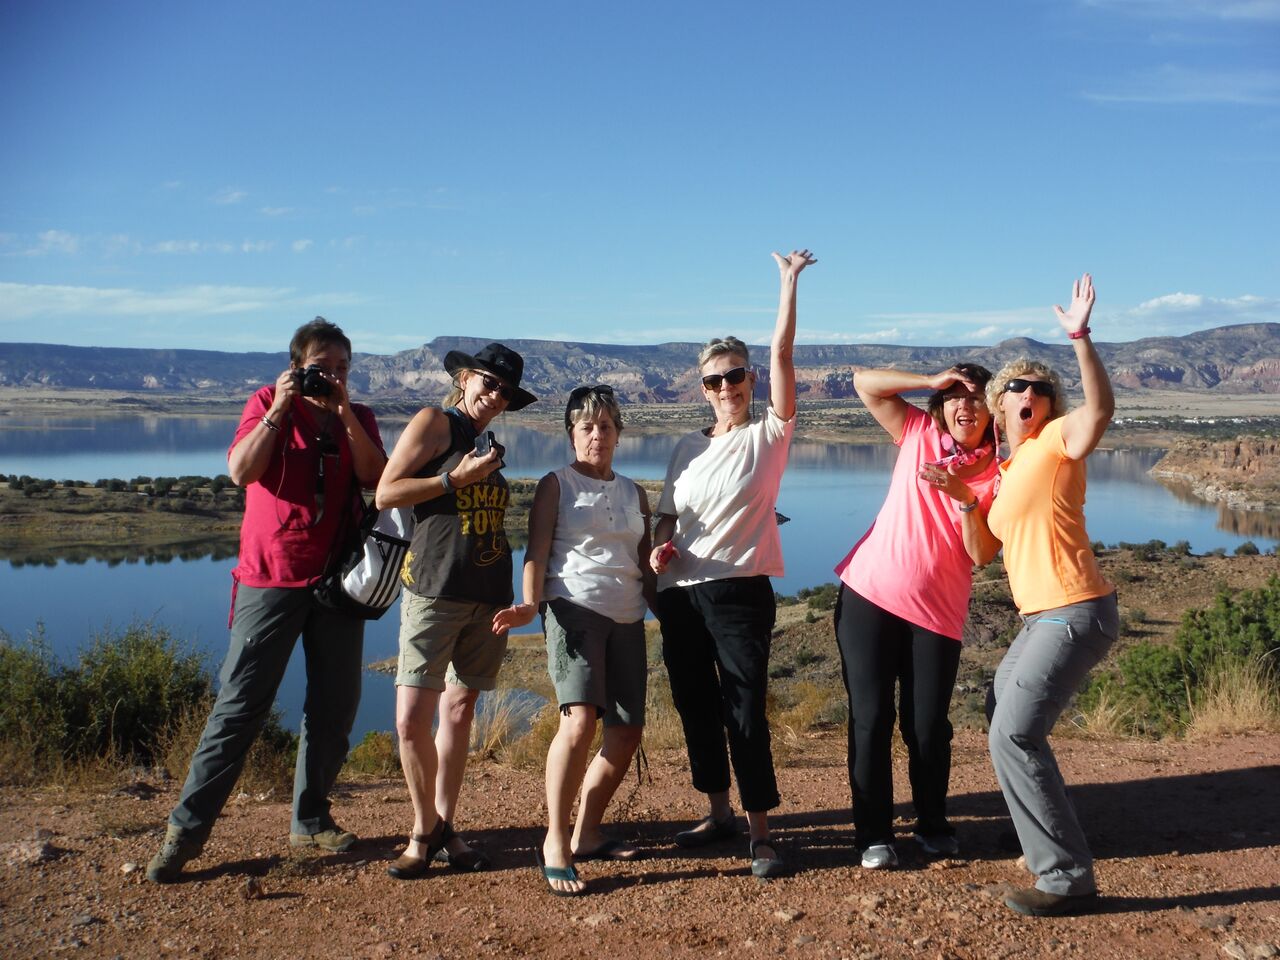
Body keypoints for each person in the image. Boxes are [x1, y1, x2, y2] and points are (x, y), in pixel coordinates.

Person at [147, 317, 386, 883]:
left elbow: (377, 476)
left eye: (342, 368)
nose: (331, 377)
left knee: (334, 708)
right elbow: (239, 471)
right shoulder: (265, 404)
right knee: (239, 707)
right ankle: (185, 832)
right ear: (295, 366)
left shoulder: (360, 417)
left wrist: (345, 410)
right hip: (270, 580)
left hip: (336, 586)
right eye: (321, 368)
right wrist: (280, 409)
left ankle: (311, 818)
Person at [650, 249, 816, 879]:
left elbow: (784, 355)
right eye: (715, 380)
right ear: (702, 388)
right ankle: (717, 811)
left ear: (751, 381)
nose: (726, 387)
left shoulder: (768, 436)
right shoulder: (685, 447)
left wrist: (786, 283)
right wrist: (656, 548)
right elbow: (666, 516)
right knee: (695, 703)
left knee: (744, 706)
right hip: (679, 592)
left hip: (739, 591)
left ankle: (761, 830)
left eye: (736, 376)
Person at [980, 273, 1118, 917]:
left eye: (1040, 387)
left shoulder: (1057, 442)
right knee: (999, 706)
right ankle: (1043, 837)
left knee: (1015, 735)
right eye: (1018, 387)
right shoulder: (1007, 471)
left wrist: (1081, 339)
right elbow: (984, 549)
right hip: (1040, 618)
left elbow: (1100, 411)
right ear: (997, 404)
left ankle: (1065, 876)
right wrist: (963, 500)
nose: (1031, 392)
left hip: (1074, 609)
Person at [375, 342, 537, 879]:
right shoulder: (434, 423)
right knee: (409, 721)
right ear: (465, 378)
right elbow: (386, 493)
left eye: (505, 391)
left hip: (487, 596)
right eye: (488, 383)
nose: (494, 395)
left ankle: (447, 826)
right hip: (433, 592)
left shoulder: (486, 442)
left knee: (459, 712)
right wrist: (453, 480)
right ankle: (426, 831)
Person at [833, 363, 1001, 870]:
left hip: (937, 614)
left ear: (992, 410)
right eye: (954, 396)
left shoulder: (997, 471)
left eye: (975, 398)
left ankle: (932, 825)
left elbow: (982, 555)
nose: (964, 406)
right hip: (870, 596)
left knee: (927, 726)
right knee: (871, 719)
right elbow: (863, 382)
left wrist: (964, 498)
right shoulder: (918, 431)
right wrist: (931, 380)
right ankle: (873, 835)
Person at [493, 385, 656, 896]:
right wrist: (528, 603)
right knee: (580, 720)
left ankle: (588, 831)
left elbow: (644, 563)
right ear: (571, 433)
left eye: (606, 426)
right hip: (573, 609)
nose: (597, 435)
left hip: (628, 615)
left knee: (626, 733)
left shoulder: (634, 492)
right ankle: (556, 841)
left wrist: (668, 604)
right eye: (587, 427)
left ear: (618, 434)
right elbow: (536, 552)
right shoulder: (555, 484)